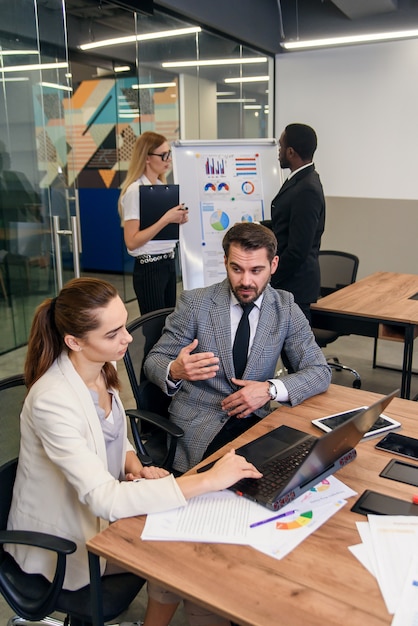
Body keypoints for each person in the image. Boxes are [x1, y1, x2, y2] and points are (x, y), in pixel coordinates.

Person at [6, 277, 261, 626]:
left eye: (123, 326)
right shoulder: (52, 400)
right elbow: (104, 500)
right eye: (112, 334)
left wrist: (133, 463)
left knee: (186, 553)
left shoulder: (100, 368)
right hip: (63, 541)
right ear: (74, 341)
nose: (127, 338)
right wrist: (207, 481)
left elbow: (115, 436)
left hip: (100, 513)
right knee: (189, 562)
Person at [144, 222, 331, 475]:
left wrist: (269, 390)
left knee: (297, 473)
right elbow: (154, 360)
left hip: (256, 421)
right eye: (237, 269)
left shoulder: (285, 307)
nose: (246, 281)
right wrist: (175, 370)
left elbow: (319, 371)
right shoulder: (196, 303)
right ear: (225, 262)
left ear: (273, 265)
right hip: (200, 426)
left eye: (256, 270)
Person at [118, 131, 188, 314]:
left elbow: (160, 231)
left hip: (168, 263)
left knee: (167, 326)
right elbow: (132, 241)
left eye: (169, 154)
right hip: (149, 267)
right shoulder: (136, 191)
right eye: (163, 155)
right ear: (147, 158)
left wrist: (178, 220)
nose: (168, 159)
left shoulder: (160, 187)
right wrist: (166, 219)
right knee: (154, 329)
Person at [266, 123, 326, 324]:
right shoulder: (300, 180)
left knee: (297, 353)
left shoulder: (306, 188)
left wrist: (269, 275)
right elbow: (286, 223)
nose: (279, 152)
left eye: (281, 147)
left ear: (290, 152)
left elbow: (298, 249)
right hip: (290, 284)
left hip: (295, 287)